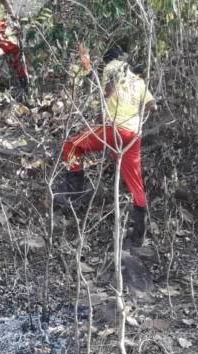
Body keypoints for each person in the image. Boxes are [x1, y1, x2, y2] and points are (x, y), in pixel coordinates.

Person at [57, 47, 156, 247]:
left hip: (112, 129)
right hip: (133, 134)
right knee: (136, 182)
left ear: (107, 60)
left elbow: (107, 93)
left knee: (71, 146)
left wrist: (100, 121)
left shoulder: (110, 67)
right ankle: (139, 234)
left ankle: (75, 198)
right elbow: (152, 105)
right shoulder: (138, 80)